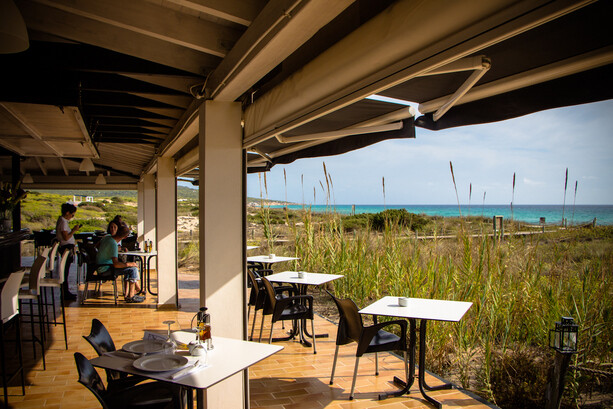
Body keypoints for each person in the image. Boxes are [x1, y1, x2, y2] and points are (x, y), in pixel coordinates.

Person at [97, 224, 144, 303]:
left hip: (99, 266)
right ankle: (131, 296)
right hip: (105, 269)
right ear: (125, 237)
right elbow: (116, 264)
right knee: (133, 269)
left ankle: (129, 293)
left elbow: (97, 246)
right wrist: (129, 264)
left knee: (129, 267)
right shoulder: (113, 244)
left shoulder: (107, 237)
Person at [56, 202, 80, 300]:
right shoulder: (63, 222)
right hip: (66, 247)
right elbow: (66, 237)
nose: (72, 216)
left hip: (66, 247)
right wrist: (74, 230)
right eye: (72, 214)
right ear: (67, 213)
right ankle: (65, 293)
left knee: (66, 271)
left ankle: (65, 292)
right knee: (65, 271)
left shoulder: (61, 221)